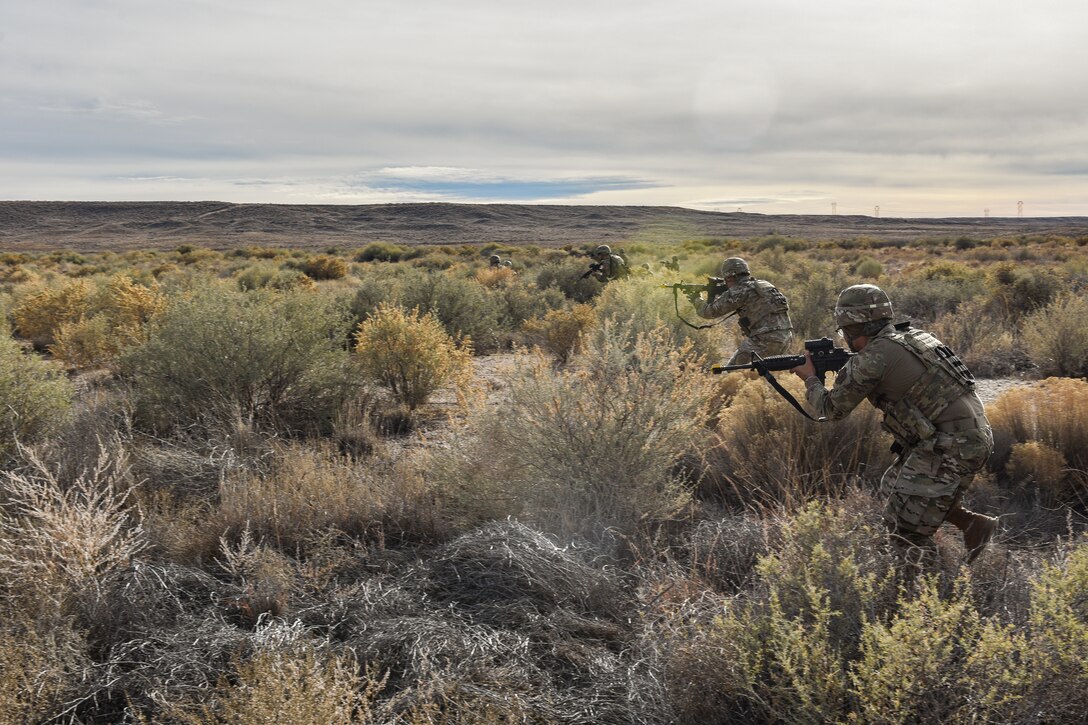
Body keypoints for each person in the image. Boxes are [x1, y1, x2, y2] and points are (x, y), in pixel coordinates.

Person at [790, 283, 998, 573]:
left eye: (844, 331)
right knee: (897, 487)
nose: (844, 338)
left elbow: (831, 409)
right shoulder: (913, 336)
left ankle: (928, 590)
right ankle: (972, 525)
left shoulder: (874, 357)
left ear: (853, 327)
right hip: (969, 436)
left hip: (950, 446)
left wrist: (810, 379)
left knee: (904, 530)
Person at [687, 257, 792, 365]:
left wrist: (697, 299)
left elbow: (708, 312)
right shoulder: (765, 284)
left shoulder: (738, 291)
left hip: (764, 341)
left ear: (730, 277)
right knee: (756, 374)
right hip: (786, 338)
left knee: (732, 372)